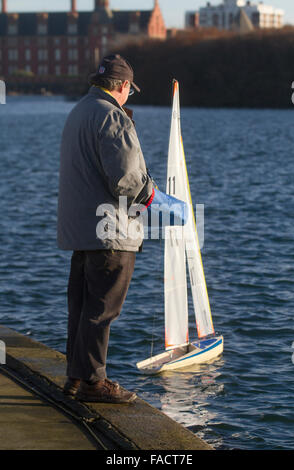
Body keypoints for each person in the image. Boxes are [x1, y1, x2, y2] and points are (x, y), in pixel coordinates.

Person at [57, 54, 154, 403]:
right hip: (111, 231)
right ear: (123, 86)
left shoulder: (78, 112)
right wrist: (154, 196)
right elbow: (128, 180)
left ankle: (75, 377)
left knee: (81, 307)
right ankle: (95, 383)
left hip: (81, 230)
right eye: (130, 90)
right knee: (102, 310)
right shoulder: (112, 116)